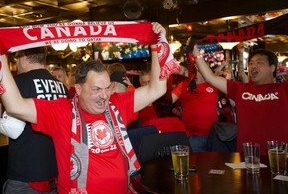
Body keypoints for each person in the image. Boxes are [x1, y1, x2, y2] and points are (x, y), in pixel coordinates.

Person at [0, 23, 168, 194]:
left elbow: (158, 88)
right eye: (96, 89)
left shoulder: (117, 103)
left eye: (107, 88)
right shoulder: (61, 111)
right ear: (78, 89)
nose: (104, 95)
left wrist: (157, 45)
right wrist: (1, 58)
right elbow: (15, 105)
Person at [190, 37, 288, 155]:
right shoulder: (241, 89)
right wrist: (195, 51)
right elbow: (210, 77)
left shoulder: (283, 89)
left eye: (259, 62)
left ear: (272, 68)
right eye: (251, 63)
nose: (253, 66)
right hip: (246, 156)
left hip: (278, 157)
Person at [2, 47, 70, 194]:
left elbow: (11, 129)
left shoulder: (18, 82)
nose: (16, 62)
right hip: (55, 172)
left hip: (25, 174)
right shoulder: (62, 88)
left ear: (24, 57)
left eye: (17, 58)